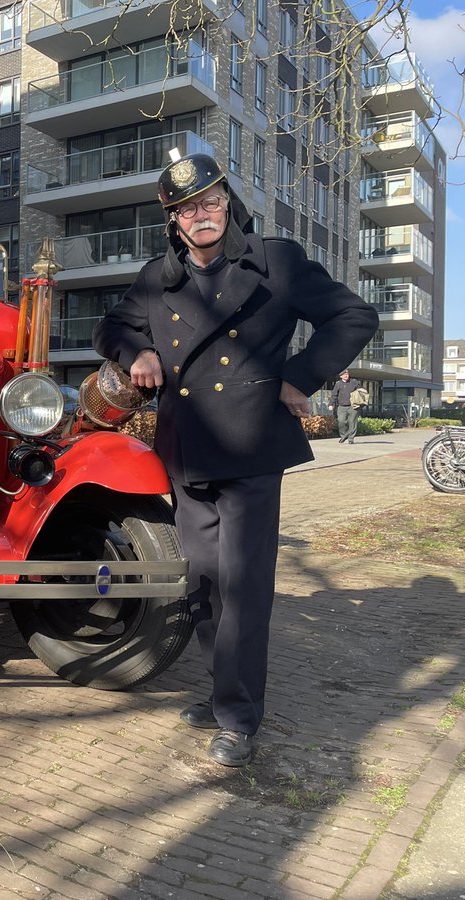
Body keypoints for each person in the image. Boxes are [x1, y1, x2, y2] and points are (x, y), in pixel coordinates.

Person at [93, 152, 378, 767]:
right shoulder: (158, 277)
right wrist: (138, 350)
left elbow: (354, 314)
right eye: (185, 209)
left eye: (210, 202)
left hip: (251, 447)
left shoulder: (275, 261)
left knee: (245, 588)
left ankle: (239, 715)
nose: (200, 216)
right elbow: (111, 325)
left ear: (228, 202)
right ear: (172, 221)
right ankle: (225, 691)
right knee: (201, 582)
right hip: (187, 449)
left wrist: (300, 376)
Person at [328, 369, 363, 443]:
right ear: (341, 376)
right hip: (341, 407)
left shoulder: (354, 382)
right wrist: (331, 404)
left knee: (352, 422)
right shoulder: (338, 384)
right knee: (341, 421)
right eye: (344, 375)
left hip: (353, 406)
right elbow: (334, 395)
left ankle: (351, 439)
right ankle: (343, 436)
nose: (346, 376)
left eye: (347, 374)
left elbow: (361, 391)